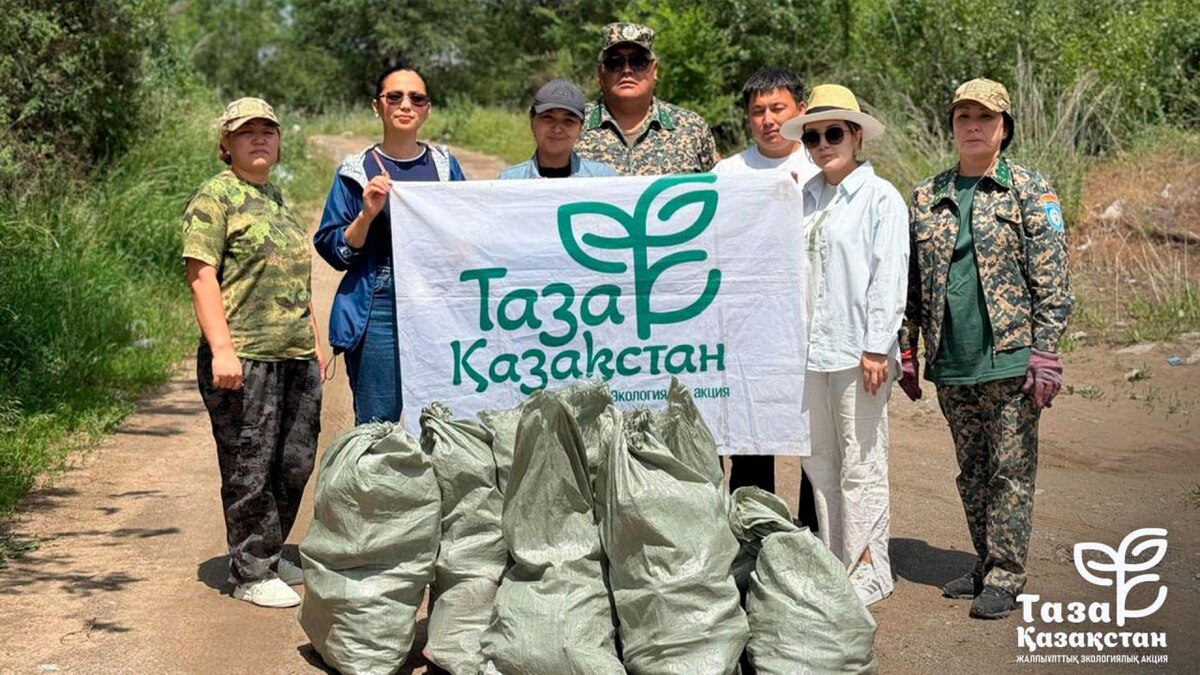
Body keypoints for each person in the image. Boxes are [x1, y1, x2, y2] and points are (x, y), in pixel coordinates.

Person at [899, 78, 1074, 620]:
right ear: (952, 126)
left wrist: (1045, 351)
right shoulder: (927, 196)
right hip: (952, 358)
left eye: (985, 117)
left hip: (1011, 357)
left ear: (1004, 127)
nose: (973, 126)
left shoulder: (1029, 189)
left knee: (1010, 471)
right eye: (963, 117)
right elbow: (910, 285)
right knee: (971, 472)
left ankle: (1006, 574)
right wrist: (907, 349)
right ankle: (985, 561)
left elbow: (1052, 279)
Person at [183, 97, 324, 608]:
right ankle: (249, 572)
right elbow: (201, 276)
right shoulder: (215, 197)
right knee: (249, 466)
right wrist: (222, 350)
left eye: (269, 130)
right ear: (227, 144)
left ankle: (270, 549)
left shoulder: (277, 199)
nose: (260, 138)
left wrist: (312, 337)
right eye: (247, 132)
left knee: (293, 461)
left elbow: (292, 278)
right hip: (245, 358)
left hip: (294, 355)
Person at [778, 84, 908, 607]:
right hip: (809, 353)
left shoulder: (881, 198)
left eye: (833, 133)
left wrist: (878, 346)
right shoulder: (802, 198)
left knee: (861, 462)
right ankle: (839, 562)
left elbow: (889, 275)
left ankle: (871, 567)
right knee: (820, 462)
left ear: (856, 136)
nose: (823, 145)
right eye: (812, 137)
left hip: (859, 353)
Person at [313, 65, 466, 425]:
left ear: (427, 109)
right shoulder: (356, 171)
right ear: (377, 106)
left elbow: (469, 230)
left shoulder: (445, 167)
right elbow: (335, 251)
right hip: (380, 304)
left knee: (440, 420)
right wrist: (366, 215)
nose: (405, 105)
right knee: (378, 424)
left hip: (438, 301)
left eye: (417, 98)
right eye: (394, 97)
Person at [713, 67, 820, 497]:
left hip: (811, 321)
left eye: (778, 108)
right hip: (749, 326)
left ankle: (816, 527)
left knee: (818, 437)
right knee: (751, 435)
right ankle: (753, 524)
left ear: (801, 110)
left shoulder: (822, 165)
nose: (768, 120)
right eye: (758, 111)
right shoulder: (727, 173)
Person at [574, 22, 718, 175]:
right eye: (614, 62)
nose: (627, 70)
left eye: (638, 62)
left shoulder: (691, 128)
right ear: (600, 73)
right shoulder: (573, 125)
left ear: (654, 70)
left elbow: (718, 185)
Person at [498, 79, 617, 179]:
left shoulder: (602, 178)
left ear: (580, 127)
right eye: (548, 118)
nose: (557, 129)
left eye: (568, 121)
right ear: (532, 120)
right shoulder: (509, 181)